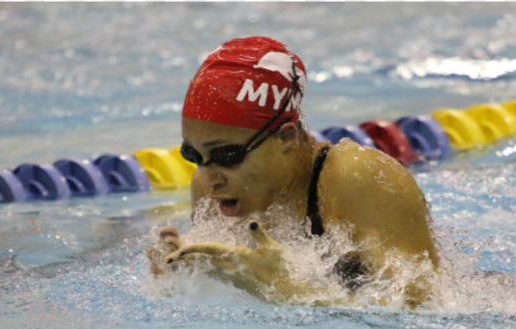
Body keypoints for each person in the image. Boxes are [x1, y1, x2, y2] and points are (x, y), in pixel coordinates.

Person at [146, 37, 439, 308]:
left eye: (227, 155)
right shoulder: (213, 188)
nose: (208, 178)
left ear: (285, 138)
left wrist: (291, 292)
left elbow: (424, 312)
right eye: (193, 155)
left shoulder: (360, 180)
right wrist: (176, 278)